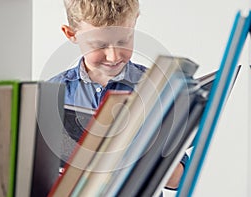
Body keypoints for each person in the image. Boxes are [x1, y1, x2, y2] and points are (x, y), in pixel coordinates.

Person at [49, 0, 188, 190]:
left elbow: (179, 179)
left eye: (123, 41)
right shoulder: (53, 92)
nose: (113, 56)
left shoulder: (157, 89)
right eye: (99, 45)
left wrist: (138, 153)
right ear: (71, 34)